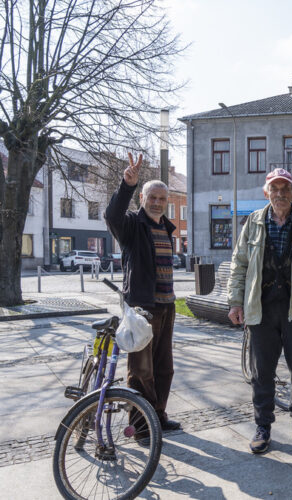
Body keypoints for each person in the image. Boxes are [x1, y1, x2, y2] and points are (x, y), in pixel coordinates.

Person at [228, 168, 292, 454]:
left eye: (285, 188)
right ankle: (263, 427)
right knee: (262, 372)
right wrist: (235, 302)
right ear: (267, 193)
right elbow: (239, 265)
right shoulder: (254, 222)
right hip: (261, 308)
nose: (280, 193)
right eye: (274, 189)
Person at [104, 153, 181, 439]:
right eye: (153, 197)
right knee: (141, 371)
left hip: (167, 307)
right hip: (141, 309)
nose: (158, 202)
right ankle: (140, 424)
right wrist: (127, 185)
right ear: (143, 199)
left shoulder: (166, 228)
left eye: (162, 198)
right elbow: (111, 216)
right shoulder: (132, 226)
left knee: (164, 368)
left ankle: (158, 416)